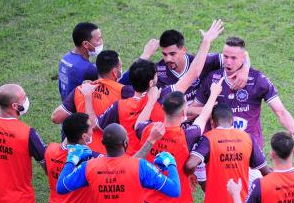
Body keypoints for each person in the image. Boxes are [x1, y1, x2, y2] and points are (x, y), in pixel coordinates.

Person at [93, 20, 224, 157]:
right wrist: (206, 41)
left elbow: (100, 124)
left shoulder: (119, 105)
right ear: (152, 83)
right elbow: (194, 73)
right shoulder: (161, 99)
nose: (167, 59)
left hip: (134, 161)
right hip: (165, 153)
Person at [134, 72, 222, 203]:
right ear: (184, 114)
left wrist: (151, 100)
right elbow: (205, 115)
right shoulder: (188, 135)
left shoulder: (149, 131)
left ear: (163, 110)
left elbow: (138, 123)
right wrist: (214, 94)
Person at [193, 36, 294, 186]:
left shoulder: (257, 79)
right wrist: (209, 107)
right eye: (225, 56)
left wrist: (293, 129)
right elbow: (192, 110)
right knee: (222, 198)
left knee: (257, 194)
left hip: (249, 151)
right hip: (219, 151)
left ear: (244, 58)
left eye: (233, 57)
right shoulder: (213, 79)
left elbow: (280, 111)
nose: (228, 61)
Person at [184, 104, 270, 203]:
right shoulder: (247, 138)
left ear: (213, 122)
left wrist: (191, 174)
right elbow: (265, 171)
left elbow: (190, 165)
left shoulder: (209, 138)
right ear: (232, 120)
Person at [52, 50, 135, 152]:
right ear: (114, 72)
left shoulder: (81, 89)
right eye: (120, 67)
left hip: (82, 154)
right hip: (110, 155)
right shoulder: (124, 92)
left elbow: (56, 117)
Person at [156, 29, 250, 107]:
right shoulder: (157, 72)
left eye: (172, 54)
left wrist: (245, 69)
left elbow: (241, 55)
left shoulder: (203, 61)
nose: (168, 59)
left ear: (183, 50)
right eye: (164, 54)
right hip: (176, 120)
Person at [58, 22, 103, 101]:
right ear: (86, 44)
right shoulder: (87, 68)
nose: (101, 42)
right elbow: (112, 80)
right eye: (98, 39)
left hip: (65, 105)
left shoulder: (65, 58)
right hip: (78, 109)